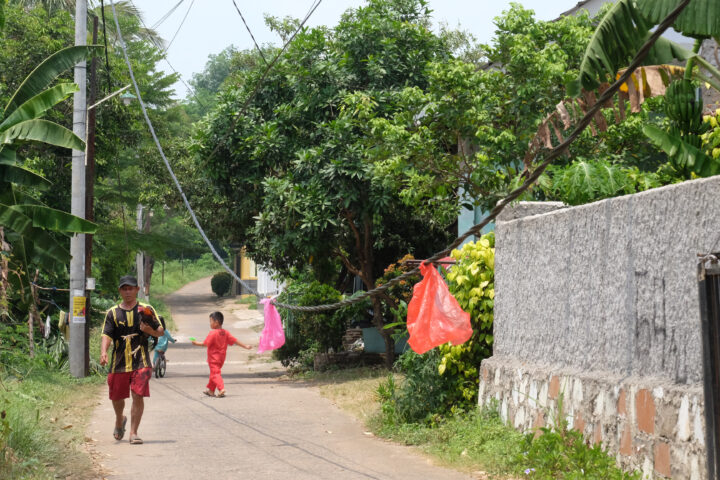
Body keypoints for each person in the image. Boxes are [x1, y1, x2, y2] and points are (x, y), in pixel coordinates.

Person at [100, 275, 164, 445]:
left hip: (141, 360)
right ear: (120, 291)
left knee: (138, 395)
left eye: (131, 288)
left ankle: (134, 433)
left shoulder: (146, 310)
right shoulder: (112, 313)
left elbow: (160, 331)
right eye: (124, 289)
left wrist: (148, 330)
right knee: (117, 398)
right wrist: (103, 352)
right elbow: (106, 335)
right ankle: (119, 419)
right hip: (118, 362)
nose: (128, 292)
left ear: (137, 289)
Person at [191, 311, 251, 398]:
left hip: (213, 358)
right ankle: (211, 391)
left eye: (211, 321)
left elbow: (206, 344)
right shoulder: (225, 333)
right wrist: (245, 346)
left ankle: (221, 388)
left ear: (216, 322)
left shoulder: (213, 333)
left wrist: (196, 343)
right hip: (221, 358)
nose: (210, 323)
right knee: (214, 373)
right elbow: (234, 341)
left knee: (215, 374)